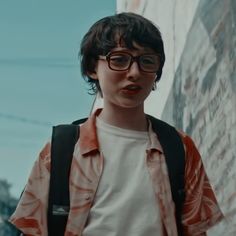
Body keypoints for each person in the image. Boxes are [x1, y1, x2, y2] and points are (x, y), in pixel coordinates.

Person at [9, 12, 223, 236]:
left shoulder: (179, 147)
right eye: (119, 59)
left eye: (147, 61)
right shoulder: (61, 149)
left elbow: (197, 232)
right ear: (93, 68)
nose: (134, 72)